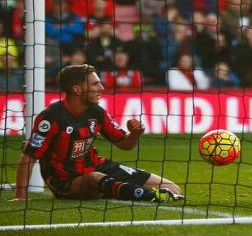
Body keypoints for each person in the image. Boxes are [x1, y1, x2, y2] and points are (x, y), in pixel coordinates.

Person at [11, 64, 183, 202]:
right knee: (94, 178)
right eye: (95, 84)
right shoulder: (50, 118)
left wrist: (136, 134)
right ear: (77, 89)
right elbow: (29, 157)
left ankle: (113, 189)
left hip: (96, 165)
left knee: (172, 188)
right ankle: (149, 197)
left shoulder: (97, 112)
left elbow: (124, 144)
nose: (101, 87)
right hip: (66, 181)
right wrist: (20, 196)